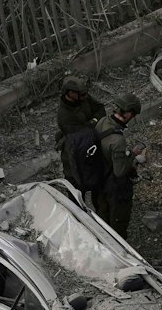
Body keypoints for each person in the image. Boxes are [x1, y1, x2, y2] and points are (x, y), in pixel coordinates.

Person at [92, 94, 141, 238]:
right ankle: (120, 247)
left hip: (99, 176)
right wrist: (132, 155)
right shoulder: (118, 140)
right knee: (118, 219)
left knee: (102, 214)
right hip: (113, 185)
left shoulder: (102, 121)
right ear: (129, 114)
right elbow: (119, 172)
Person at [54, 74, 105, 151]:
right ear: (71, 93)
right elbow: (83, 135)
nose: (86, 96)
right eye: (83, 94)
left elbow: (100, 109)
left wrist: (94, 121)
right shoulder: (65, 116)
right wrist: (93, 123)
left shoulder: (82, 98)